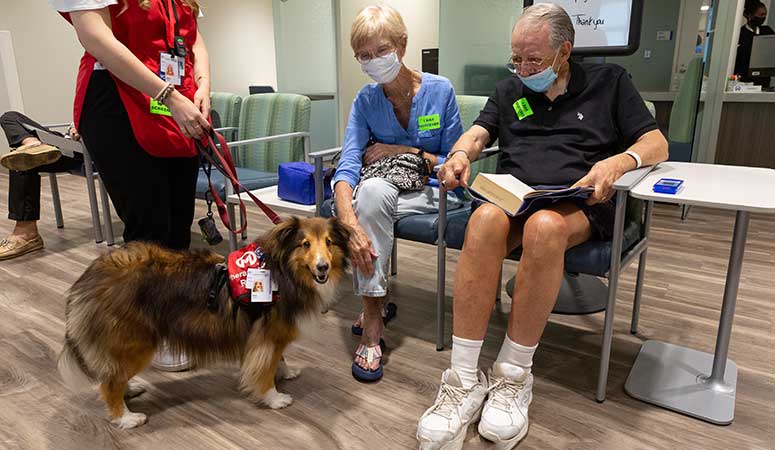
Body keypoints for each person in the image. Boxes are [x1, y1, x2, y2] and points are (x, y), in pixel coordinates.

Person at [416, 4, 668, 450]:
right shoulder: (510, 88)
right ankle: (463, 378)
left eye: (532, 59)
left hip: (577, 202)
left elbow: (656, 143)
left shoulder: (610, 83)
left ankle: (513, 376)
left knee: (545, 228)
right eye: (516, 58)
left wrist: (617, 161)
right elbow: (478, 133)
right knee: (484, 219)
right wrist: (459, 154)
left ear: (564, 52)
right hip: (516, 196)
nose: (523, 68)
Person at [51, 0, 212, 371]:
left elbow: (194, 38)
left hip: (175, 101)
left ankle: (172, 323)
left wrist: (202, 84)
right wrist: (168, 96)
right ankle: (144, 333)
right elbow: (94, 34)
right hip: (122, 99)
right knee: (148, 230)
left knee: (177, 227)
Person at [333, 5, 464, 382]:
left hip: (435, 193)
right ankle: (374, 318)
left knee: (372, 197)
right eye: (364, 56)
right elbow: (347, 166)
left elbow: (456, 162)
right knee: (369, 193)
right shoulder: (366, 101)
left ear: (402, 45)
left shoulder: (440, 91)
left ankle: (373, 309)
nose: (374, 62)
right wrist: (350, 226)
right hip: (382, 194)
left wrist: (404, 151)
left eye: (382, 51)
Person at [0, 111, 82, 260]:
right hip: (65, 140)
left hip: (83, 150)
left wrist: (85, 129)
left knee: (22, 160)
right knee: (9, 117)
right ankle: (32, 144)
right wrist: (74, 126)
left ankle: (26, 234)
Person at [734, 0, 774, 88]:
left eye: (765, 15)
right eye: (761, 15)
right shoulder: (740, 34)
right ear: (749, 15)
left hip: (764, 81)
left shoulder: (767, 31)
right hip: (744, 81)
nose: (763, 17)